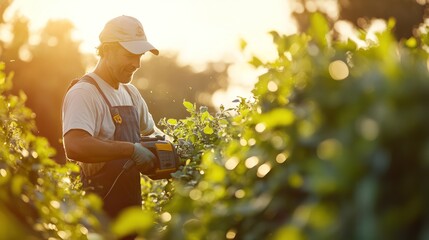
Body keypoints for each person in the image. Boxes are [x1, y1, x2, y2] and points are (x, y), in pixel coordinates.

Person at [62, 15, 162, 223]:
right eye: (130, 54)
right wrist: (130, 150)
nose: (137, 63)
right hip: (94, 223)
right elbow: (75, 145)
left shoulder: (131, 93)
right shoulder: (85, 93)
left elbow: (153, 133)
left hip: (129, 219)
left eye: (140, 55)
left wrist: (172, 154)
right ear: (106, 50)